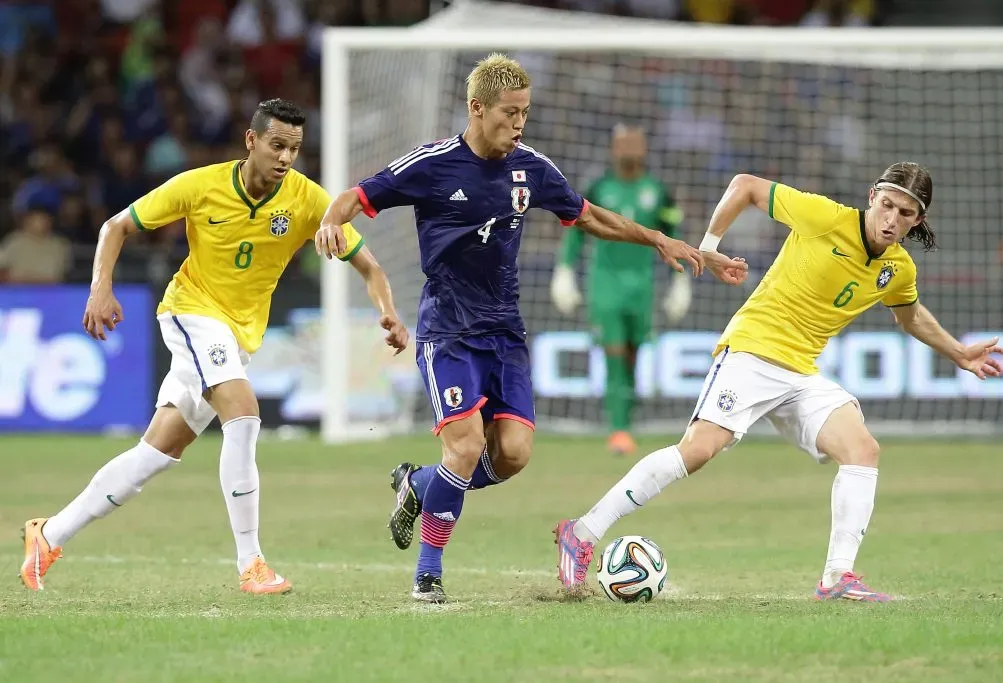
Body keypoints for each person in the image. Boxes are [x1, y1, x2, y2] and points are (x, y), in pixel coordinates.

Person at [315, 54, 747, 603]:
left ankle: (419, 484)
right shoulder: (433, 164)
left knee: (513, 454)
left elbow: (588, 216)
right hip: (448, 328)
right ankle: (428, 574)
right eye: (509, 112)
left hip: (506, 332)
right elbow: (358, 196)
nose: (519, 123)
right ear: (476, 108)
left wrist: (658, 239)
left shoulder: (532, 168)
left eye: (525, 112)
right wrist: (332, 220)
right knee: (467, 446)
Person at [554, 162, 1003, 602]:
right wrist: (709, 247)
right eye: (887, 205)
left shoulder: (899, 268)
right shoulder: (825, 217)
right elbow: (745, 185)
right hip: (752, 351)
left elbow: (910, 315)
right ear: (872, 197)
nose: (892, 219)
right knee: (697, 450)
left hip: (801, 373)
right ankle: (582, 531)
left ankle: (836, 578)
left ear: (918, 219)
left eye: (905, 214)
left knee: (862, 450)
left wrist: (959, 352)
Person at [19, 99, 410, 594]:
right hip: (192, 313)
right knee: (243, 414)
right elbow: (114, 226)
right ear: (251, 141)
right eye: (276, 145)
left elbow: (370, 267)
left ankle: (48, 535)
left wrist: (389, 313)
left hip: (238, 336)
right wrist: (101, 287)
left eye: (294, 148)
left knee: (156, 452)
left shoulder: (307, 200)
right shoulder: (199, 185)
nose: (286, 157)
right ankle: (252, 563)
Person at [551, 124, 690, 455]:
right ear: (613, 149)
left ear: (643, 148)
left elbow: (674, 231)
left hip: (642, 286)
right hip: (606, 284)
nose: (627, 150)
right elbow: (576, 230)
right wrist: (564, 270)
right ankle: (618, 429)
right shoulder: (598, 189)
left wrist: (680, 282)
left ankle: (625, 421)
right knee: (613, 353)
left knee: (633, 355)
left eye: (634, 143)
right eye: (621, 144)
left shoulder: (658, 192)